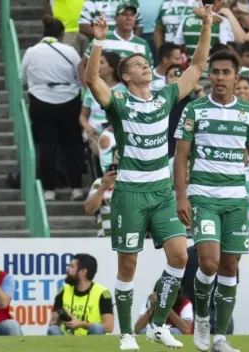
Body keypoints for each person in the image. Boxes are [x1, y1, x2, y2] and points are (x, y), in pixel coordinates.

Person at [84, 1, 213, 348]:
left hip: (161, 192)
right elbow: (92, 79)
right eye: (139, 64)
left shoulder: (165, 97)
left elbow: (198, 65)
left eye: (145, 62)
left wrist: (206, 24)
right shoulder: (119, 103)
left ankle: (157, 325)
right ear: (126, 76)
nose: (146, 65)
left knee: (181, 257)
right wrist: (98, 42)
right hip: (129, 193)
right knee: (128, 267)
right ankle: (127, 333)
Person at [173, 50, 249, 352]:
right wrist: (181, 196)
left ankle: (220, 337)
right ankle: (202, 318)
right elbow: (181, 156)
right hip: (204, 197)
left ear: (236, 77)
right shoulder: (194, 109)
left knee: (230, 266)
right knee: (210, 262)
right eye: (214, 72)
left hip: (236, 200)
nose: (219, 77)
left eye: (225, 72)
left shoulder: (248, 113)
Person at [21, 16, 84, 202]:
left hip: (40, 101)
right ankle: (77, 188)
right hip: (70, 100)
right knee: (73, 146)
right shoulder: (70, 50)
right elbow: (79, 74)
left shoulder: (31, 51)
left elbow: (22, 77)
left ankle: (49, 190)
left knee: (47, 147)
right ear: (62, 34)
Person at [79, 3, 153, 85]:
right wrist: (86, 90)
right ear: (115, 18)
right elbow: (83, 65)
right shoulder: (102, 38)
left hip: (132, 93)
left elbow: (149, 71)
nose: (129, 18)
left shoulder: (142, 43)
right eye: (124, 14)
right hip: (103, 90)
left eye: (132, 15)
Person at [47, 254, 113, 336]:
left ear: (83, 272)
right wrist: (62, 318)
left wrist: (81, 324)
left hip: (91, 339)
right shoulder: (63, 291)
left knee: (97, 328)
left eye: (71, 266)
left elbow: (109, 327)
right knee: (53, 329)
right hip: (67, 339)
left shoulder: (102, 293)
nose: (67, 270)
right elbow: (52, 324)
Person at [84, 150, 118, 237]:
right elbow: (89, 209)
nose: (120, 161)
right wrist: (104, 187)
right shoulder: (100, 182)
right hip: (106, 238)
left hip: (134, 239)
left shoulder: (140, 183)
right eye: (117, 158)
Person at [79, 0, 143, 38]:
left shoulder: (132, 1)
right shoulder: (93, 1)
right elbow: (82, 25)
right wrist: (103, 37)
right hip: (100, 43)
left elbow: (139, 25)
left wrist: (132, 40)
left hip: (126, 42)